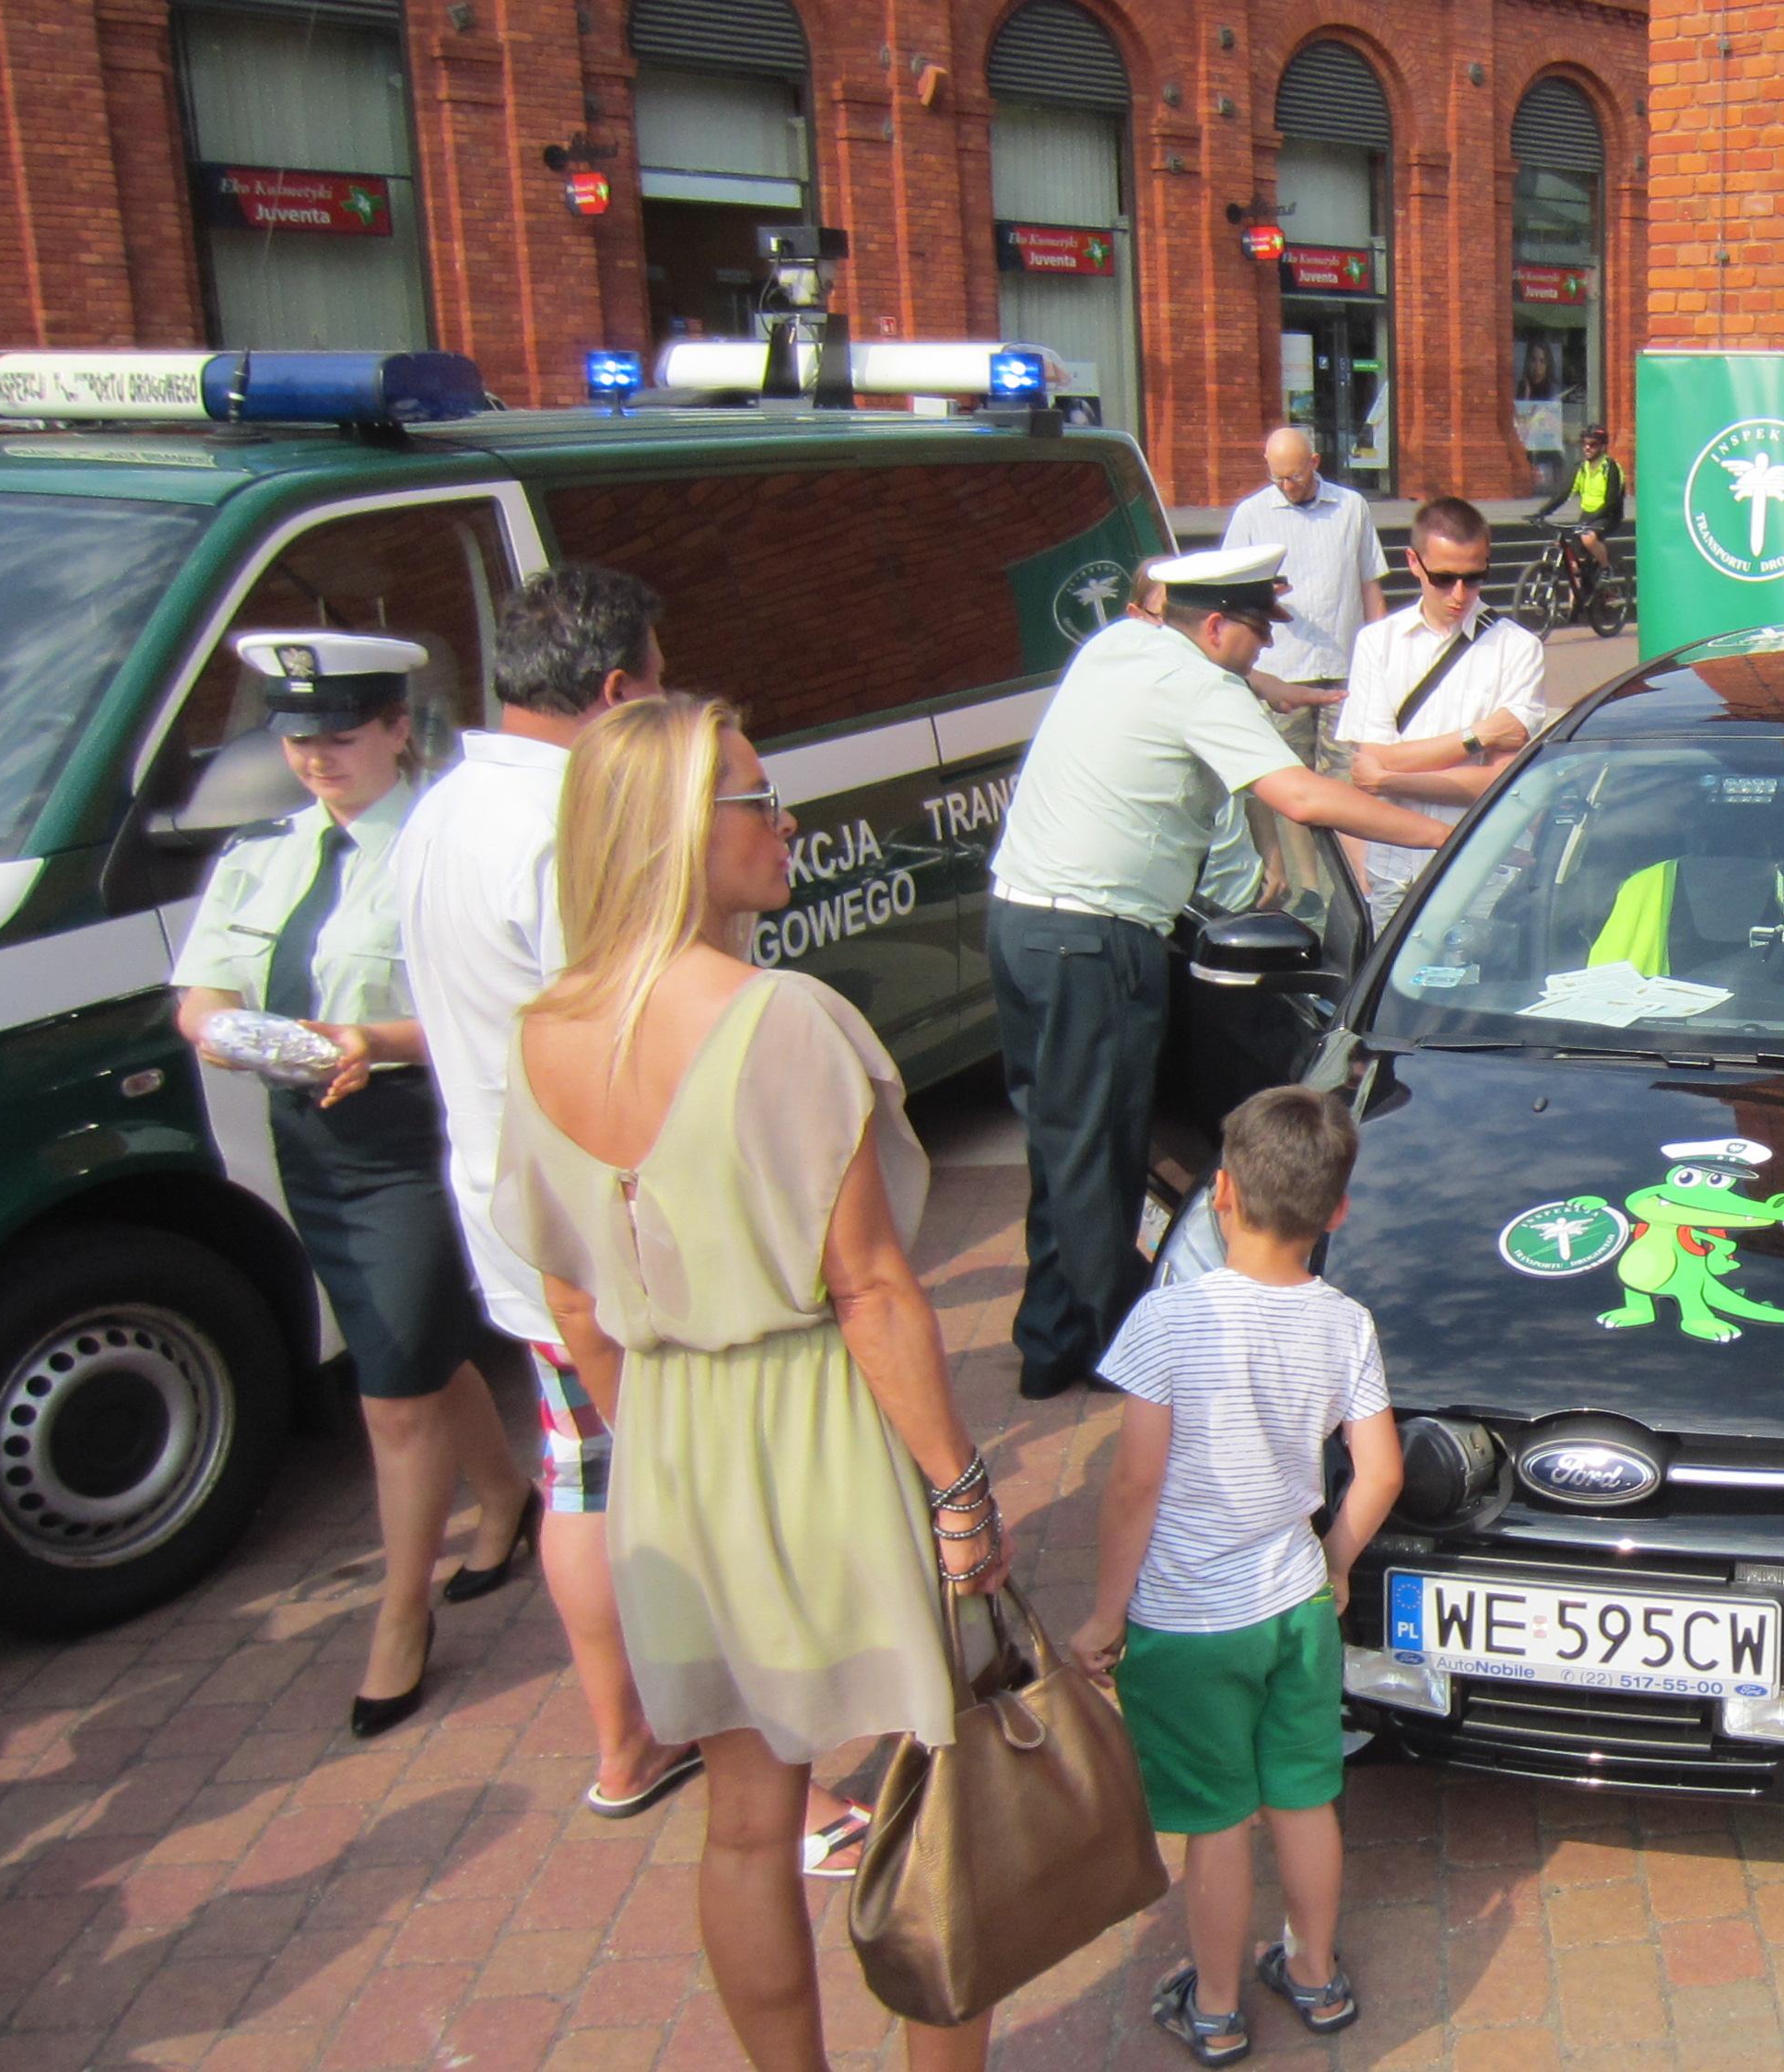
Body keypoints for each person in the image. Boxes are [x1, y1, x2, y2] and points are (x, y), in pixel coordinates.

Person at [497, 695, 1004, 2072]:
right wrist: (959, 1487)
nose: (786, 822)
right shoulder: (780, 1016)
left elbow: (570, 1300)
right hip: (819, 1422)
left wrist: (662, 1436)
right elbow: (872, 1291)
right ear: (677, 827)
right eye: (754, 798)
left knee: (742, 1815)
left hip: (669, 1443)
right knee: (937, 1784)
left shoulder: (544, 1031)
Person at [394, 571, 866, 1864]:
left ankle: (629, 1741)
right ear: (617, 693)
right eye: (662, 686)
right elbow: (635, 1038)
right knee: (704, 1504)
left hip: (524, 1205)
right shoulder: (570, 826)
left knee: (589, 1475)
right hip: (624, 1232)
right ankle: (779, 1784)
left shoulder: (442, 806)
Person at [985, 546, 1453, 1403]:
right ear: (1213, 626)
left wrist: (1270, 688)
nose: (1264, 648)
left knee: (1058, 1141)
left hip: (1021, 924)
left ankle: (1050, 1338)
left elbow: (1207, 663)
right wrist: (1446, 837)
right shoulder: (1201, 687)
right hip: (1094, 941)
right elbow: (1303, 798)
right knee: (1099, 1153)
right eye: (1256, 632)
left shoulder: (1120, 646)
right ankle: (1115, 1350)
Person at [172, 632, 530, 1736]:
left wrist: (371, 1039)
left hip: (416, 1127)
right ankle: (503, 1495)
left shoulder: (440, 845)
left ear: (395, 729)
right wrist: (230, 1031)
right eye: (297, 741)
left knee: (391, 1390)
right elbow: (202, 989)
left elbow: (498, 1003)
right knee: (401, 1342)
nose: (316, 759)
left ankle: (399, 1617)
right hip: (313, 1137)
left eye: (338, 736)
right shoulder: (266, 851)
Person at [1074, 1085, 1404, 2066]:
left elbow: (1134, 1483)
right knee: (1303, 1791)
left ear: (1221, 1191)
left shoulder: (1168, 1319)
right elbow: (1380, 1472)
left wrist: (1106, 1612)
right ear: (1336, 1211)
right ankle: (1314, 1973)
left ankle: (1216, 2007)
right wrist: (1334, 1562)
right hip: (1294, 1605)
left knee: (1216, 1818)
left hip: (1187, 1618)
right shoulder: (1346, 1322)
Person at [1339, 497, 1547, 924]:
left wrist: (1391, 778)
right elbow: (1371, 760)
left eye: (1474, 578)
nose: (1460, 594)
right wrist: (1478, 736)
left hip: (1481, 869)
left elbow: (1494, 781)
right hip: (1394, 866)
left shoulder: (1517, 648)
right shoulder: (1378, 643)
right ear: (1413, 562)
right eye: (1444, 578)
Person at [1220, 427, 1386, 771]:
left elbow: (1370, 584)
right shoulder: (1251, 514)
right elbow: (1229, 596)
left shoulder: (1351, 507)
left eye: (1294, 476)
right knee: (1288, 778)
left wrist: (1382, 656)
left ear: (1314, 462)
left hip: (1344, 667)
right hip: (1280, 672)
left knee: (1347, 777)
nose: (1286, 486)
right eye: (1276, 477)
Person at [1532, 425, 1627, 610]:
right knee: (1573, 563)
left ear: (1602, 447)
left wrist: (1592, 521)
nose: (1587, 448)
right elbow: (1564, 494)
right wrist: (1542, 512)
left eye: (1593, 444)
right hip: (1588, 516)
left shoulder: (1611, 468)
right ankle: (1575, 605)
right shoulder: (1581, 468)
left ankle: (1606, 568)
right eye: (1584, 444)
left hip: (1609, 514)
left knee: (1588, 538)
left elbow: (1612, 501)